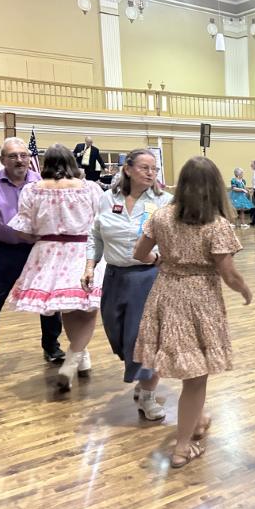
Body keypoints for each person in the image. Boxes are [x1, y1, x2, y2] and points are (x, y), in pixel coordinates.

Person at [132, 156, 252, 469]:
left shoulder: (161, 216)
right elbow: (228, 273)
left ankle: (196, 420)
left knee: (187, 364)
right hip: (200, 299)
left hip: (166, 293)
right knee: (196, 376)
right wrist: (244, 289)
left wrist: (163, 261)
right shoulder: (217, 225)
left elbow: (139, 253)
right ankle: (182, 448)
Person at [83, 149, 172, 421]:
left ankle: (148, 394)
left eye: (154, 169)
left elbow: (177, 238)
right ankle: (141, 375)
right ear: (128, 169)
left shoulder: (164, 201)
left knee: (146, 338)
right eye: (145, 167)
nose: (150, 173)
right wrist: (90, 266)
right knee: (120, 333)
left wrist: (159, 258)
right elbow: (95, 235)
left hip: (149, 278)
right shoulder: (107, 199)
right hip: (115, 277)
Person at [7, 144, 103, 391]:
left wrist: (42, 237)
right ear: (72, 162)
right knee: (87, 310)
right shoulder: (89, 188)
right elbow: (101, 222)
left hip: (47, 253)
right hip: (82, 251)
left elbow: (22, 228)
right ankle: (72, 361)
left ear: (46, 163)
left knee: (67, 308)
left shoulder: (32, 190)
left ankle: (80, 356)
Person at [0, 138, 64, 369]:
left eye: (24, 155)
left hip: (38, 249)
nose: (20, 160)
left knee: (48, 299)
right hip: (1, 251)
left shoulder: (42, 183)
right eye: (13, 156)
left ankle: (52, 346)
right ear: (2, 159)